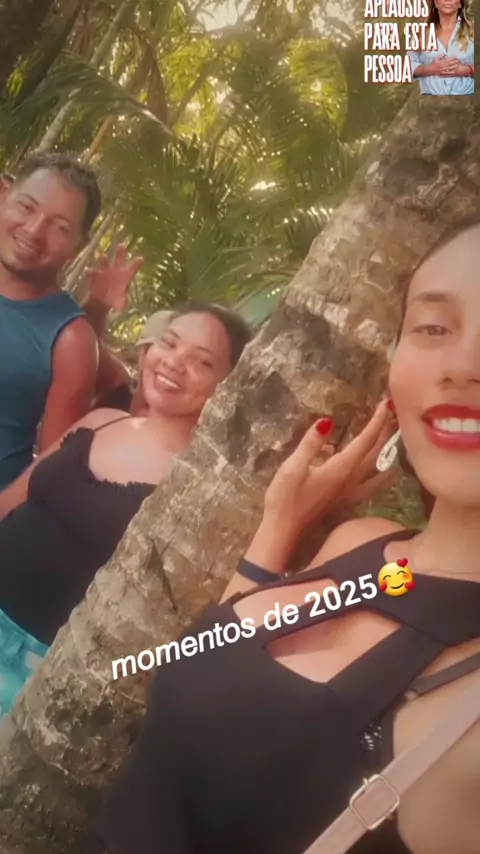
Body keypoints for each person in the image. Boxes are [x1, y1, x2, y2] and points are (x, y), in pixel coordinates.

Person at [95, 217, 480, 854]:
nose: (463, 366)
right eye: (434, 327)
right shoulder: (372, 550)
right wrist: (280, 522)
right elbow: (213, 660)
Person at [0, 302, 251, 719]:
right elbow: (12, 500)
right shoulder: (101, 421)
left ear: (226, 385)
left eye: (202, 361)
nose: (174, 362)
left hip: (36, 670)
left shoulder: (199, 488)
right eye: (169, 343)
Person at [0, 152, 103, 490]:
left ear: (80, 244)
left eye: (60, 227)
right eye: (26, 207)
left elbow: (44, 477)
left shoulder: (71, 339)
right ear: (3, 195)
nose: (33, 231)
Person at [408, 0, 474, 95]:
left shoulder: (473, 30)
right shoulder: (421, 31)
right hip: (430, 99)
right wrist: (431, 69)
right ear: (434, 2)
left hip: (467, 97)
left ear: (461, 3)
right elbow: (409, 66)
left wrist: (467, 70)